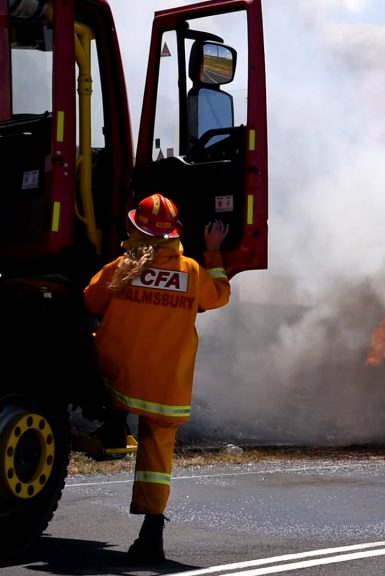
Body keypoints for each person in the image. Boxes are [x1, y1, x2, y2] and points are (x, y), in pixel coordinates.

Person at [83, 193, 230, 563]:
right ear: (174, 234)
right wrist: (213, 251)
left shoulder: (123, 266)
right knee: (156, 458)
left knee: (90, 351)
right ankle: (152, 534)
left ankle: (114, 423)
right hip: (165, 387)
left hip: (117, 378)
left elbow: (89, 302)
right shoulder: (193, 272)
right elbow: (220, 296)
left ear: (135, 228)